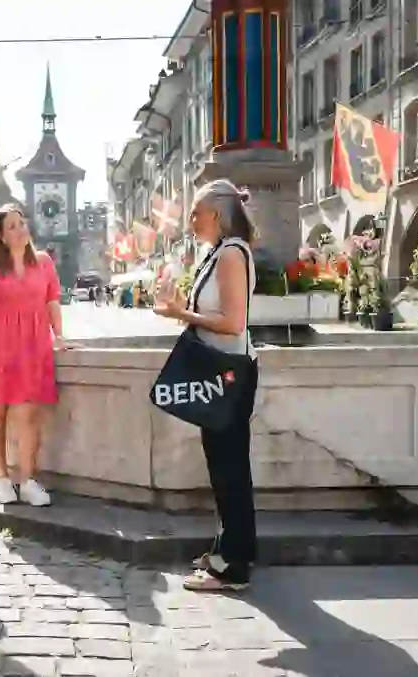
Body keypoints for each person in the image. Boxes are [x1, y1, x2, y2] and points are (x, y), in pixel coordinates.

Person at [153, 178, 259, 592]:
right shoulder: (219, 253)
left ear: (216, 214)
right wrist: (182, 308)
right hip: (221, 371)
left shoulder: (232, 254)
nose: (191, 220)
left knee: (230, 468)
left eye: (196, 212)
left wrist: (183, 314)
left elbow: (234, 323)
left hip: (229, 372)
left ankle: (232, 566)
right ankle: (227, 548)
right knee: (224, 467)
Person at [0, 205, 64, 506]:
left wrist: (59, 335)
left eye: (22, 223)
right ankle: (1, 476)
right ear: (0, 234)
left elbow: (53, 302)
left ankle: (28, 479)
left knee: (28, 414)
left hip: (34, 345)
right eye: (12, 226)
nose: (20, 229)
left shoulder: (44, 263)